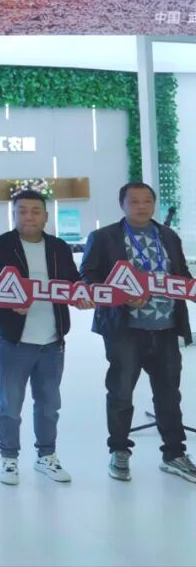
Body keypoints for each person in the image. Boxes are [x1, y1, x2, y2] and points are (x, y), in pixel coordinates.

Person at [80, 182, 196, 483]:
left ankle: (174, 454)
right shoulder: (103, 237)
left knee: (169, 395)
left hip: (166, 327)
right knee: (120, 394)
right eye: (134, 201)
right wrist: (120, 294)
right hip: (125, 330)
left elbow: (181, 274)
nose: (142, 206)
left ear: (154, 204)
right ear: (122, 205)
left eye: (147, 201)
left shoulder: (168, 236)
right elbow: (88, 276)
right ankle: (119, 451)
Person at [0, 189, 88, 486]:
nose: (29, 217)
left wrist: (82, 297)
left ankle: (46, 456)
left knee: (49, 405)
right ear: (14, 215)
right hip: (14, 341)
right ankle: (9, 458)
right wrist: (9, 303)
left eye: (35, 211)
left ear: (46, 216)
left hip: (52, 341)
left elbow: (74, 283)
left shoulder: (59, 247)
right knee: (10, 406)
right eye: (22, 211)